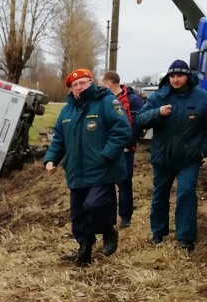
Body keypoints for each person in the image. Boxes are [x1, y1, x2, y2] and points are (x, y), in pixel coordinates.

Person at [43, 68, 130, 266]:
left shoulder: (106, 102)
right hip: (76, 170)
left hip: (101, 169)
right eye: (74, 85)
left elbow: (122, 131)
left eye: (82, 83)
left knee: (94, 205)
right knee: (78, 215)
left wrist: (106, 155)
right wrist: (51, 159)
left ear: (91, 82)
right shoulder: (67, 110)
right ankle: (84, 251)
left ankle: (108, 230)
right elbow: (58, 138)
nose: (78, 87)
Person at [136, 60, 207, 252]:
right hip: (162, 156)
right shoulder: (159, 97)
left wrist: (202, 151)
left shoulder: (201, 97)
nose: (176, 80)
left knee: (185, 193)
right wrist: (157, 113)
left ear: (188, 76)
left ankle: (185, 238)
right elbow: (140, 119)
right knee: (160, 195)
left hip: (189, 157)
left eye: (180, 75)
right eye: (172, 76)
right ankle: (158, 233)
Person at [98, 71, 143, 229]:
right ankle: (108, 218)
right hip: (106, 148)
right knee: (106, 183)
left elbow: (137, 125)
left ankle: (125, 218)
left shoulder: (133, 100)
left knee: (124, 183)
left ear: (109, 84)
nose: (99, 87)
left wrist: (127, 144)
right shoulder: (102, 100)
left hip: (125, 150)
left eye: (101, 84)